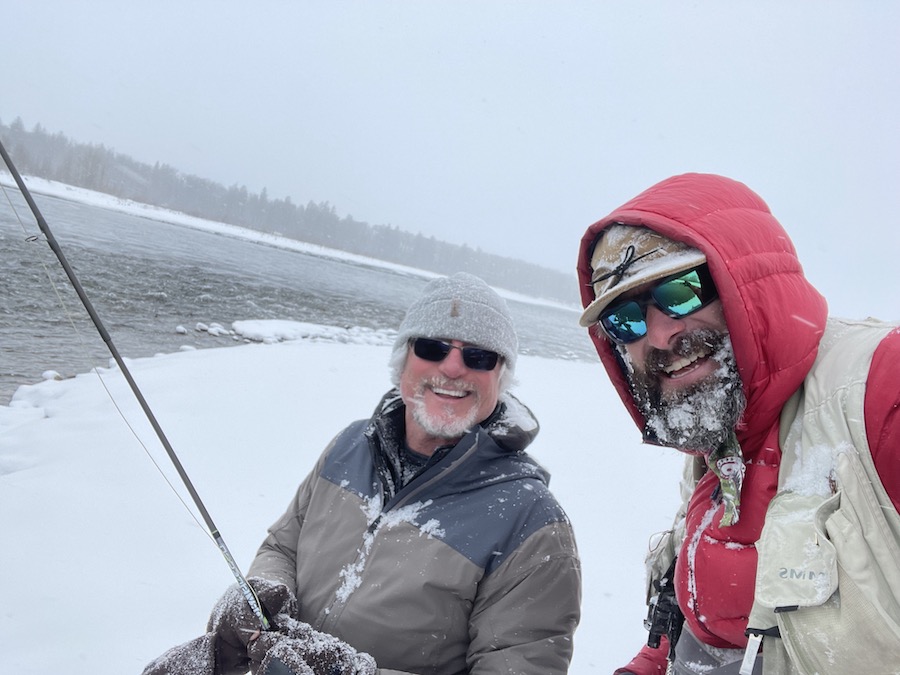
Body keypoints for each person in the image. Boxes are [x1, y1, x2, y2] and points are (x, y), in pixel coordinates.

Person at [143, 272, 582, 675]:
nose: (452, 367)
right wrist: (263, 591)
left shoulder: (532, 521)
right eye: (431, 347)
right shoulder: (350, 445)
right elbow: (283, 545)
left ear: (501, 375)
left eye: (479, 355)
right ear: (403, 360)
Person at [575, 173, 900, 675]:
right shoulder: (718, 440)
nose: (659, 336)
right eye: (626, 320)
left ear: (743, 284)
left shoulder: (877, 389)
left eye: (680, 291)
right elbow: (689, 631)